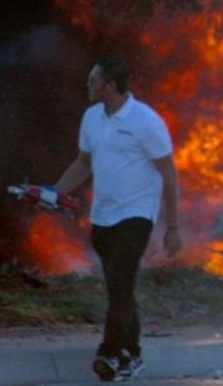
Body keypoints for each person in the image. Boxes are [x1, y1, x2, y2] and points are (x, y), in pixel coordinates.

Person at [53, 55, 182, 382]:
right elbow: (83, 163)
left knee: (121, 283)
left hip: (136, 215)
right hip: (103, 217)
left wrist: (173, 227)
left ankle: (109, 353)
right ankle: (131, 353)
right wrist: (54, 192)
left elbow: (168, 173)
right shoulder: (91, 118)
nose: (88, 85)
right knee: (118, 290)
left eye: (93, 81)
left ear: (110, 86)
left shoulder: (146, 121)